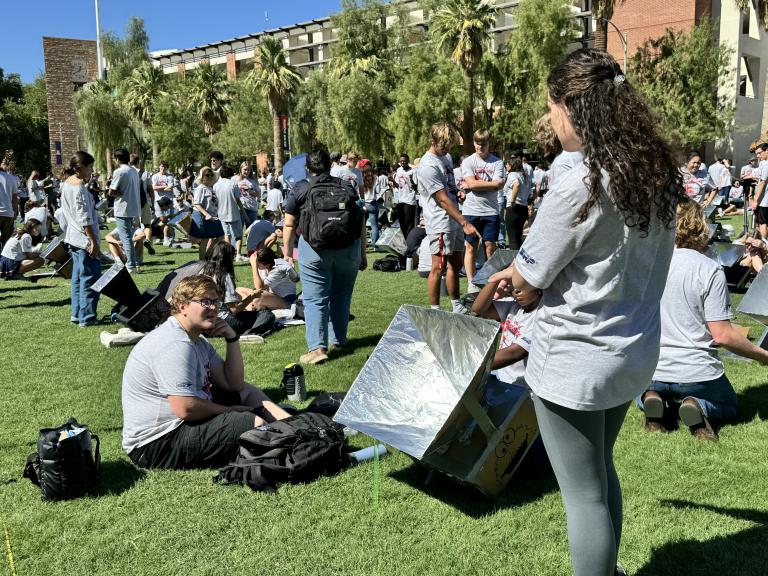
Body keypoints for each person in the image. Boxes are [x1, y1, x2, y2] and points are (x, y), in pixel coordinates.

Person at [489, 49, 680, 576]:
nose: (551, 121)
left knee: (583, 496)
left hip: (577, 359)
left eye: (552, 108)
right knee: (598, 473)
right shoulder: (655, 173)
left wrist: (520, 279)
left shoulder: (581, 180)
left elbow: (528, 278)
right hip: (632, 351)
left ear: (574, 108)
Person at [121, 275, 290, 470]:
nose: (213, 308)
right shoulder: (174, 343)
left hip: (179, 424)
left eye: (215, 301)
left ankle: (292, 425)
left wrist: (232, 338)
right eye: (205, 302)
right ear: (182, 306)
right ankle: (289, 439)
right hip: (156, 444)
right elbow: (186, 408)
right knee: (252, 424)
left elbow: (233, 384)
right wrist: (230, 411)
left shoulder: (198, 341)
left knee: (246, 393)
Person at [638, 197, 768, 440]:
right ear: (699, 225)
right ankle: (700, 406)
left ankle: (651, 398)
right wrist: (763, 356)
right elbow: (723, 335)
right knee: (730, 406)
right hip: (696, 372)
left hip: (653, 367)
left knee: (644, 390)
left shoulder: (648, 265)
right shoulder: (708, 269)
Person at [282, 149, 367, 365]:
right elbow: (359, 222)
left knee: (314, 299)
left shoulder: (301, 188)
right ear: (330, 166)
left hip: (314, 251)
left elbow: (289, 224)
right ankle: (339, 339)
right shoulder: (346, 187)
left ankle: (318, 348)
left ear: (307, 168)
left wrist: (287, 253)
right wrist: (362, 254)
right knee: (342, 295)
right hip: (348, 249)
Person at [417, 122, 480, 314]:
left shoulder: (444, 158)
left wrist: (458, 193)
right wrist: (465, 222)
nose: (447, 148)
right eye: (443, 144)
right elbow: (442, 199)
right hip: (440, 222)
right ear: (433, 140)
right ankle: (435, 310)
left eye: (449, 145)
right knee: (438, 267)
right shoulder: (428, 165)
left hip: (452, 220)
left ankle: (456, 305)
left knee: (456, 263)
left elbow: (449, 189)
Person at [60, 151, 102, 327]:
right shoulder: (78, 187)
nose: (92, 170)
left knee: (78, 278)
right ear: (80, 168)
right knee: (90, 279)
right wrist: (93, 241)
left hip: (73, 238)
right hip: (83, 239)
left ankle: (77, 314)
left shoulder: (66, 184)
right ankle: (87, 317)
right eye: (90, 167)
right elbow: (84, 218)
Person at [460, 129, 505, 288]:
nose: (481, 147)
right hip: (471, 211)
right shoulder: (468, 162)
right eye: (478, 144)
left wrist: (475, 185)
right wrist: (492, 184)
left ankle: (490, 281)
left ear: (489, 143)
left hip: (491, 211)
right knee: (470, 247)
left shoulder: (497, 162)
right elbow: (472, 184)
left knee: (490, 247)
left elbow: (498, 185)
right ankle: (471, 282)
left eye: (484, 144)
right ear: (474, 143)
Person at [108, 148, 141, 273]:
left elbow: (112, 191)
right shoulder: (134, 170)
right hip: (133, 207)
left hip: (122, 208)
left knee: (125, 237)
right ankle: (134, 263)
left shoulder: (119, 171)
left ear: (117, 159)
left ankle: (131, 265)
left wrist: (111, 190)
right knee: (129, 236)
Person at [189, 167, 224, 260]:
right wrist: (206, 214)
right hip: (203, 216)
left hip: (213, 216)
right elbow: (196, 203)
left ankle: (207, 255)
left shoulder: (210, 188)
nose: (209, 176)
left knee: (220, 236)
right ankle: (202, 262)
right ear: (202, 176)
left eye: (211, 174)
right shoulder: (200, 188)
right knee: (205, 240)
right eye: (207, 175)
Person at [232, 161, 261, 261]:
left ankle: (251, 253)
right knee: (239, 231)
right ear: (240, 169)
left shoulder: (253, 181)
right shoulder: (235, 179)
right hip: (239, 209)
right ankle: (238, 254)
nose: (246, 171)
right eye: (245, 169)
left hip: (252, 208)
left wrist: (252, 192)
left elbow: (258, 194)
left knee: (251, 231)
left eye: (248, 169)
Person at [502, 156, 532, 250]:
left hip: (514, 208)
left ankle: (513, 262)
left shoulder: (512, 175)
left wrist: (512, 200)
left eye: (507, 164)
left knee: (512, 238)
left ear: (512, 164)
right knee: (518, 237)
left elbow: (516, 184)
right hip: (523, 208)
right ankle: (519, 261)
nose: (506, 165)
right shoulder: (525, 175)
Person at [214, 165, 243, 250]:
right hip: (233, 213)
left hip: (221, 213)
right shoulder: (233, 184)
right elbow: (238, 200)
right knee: (239, 235)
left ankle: (228, 254)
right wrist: (244, 213)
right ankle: (238, 254)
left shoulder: (216, 185)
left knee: (227, 235)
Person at [359, 159, 384, 250]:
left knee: (362, 227)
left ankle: (362, 246)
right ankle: (375, 246)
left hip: (362, 203)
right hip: (372, 204)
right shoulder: (375, 177)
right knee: (374, 226)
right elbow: (378, 191)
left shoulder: (359, 177)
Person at [151, 161, 176, 247]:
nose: (163, 168)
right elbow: (153, 187)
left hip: (167, 201)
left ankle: (167, 238)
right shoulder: (155, 176)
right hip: (158, 201)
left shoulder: (170, 177)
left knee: (168, 220)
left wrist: (160, 188)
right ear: (159, 166)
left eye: (165, 167)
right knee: (161, 220)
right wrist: (164, 187)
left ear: (167, 168)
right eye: (162, 166)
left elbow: (170, 188)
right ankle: (161, 236)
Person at [394, 154, 418, 240]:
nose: (402, 162)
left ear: (408, 161)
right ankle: (404, 242)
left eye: (404, 161)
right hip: (401, 200)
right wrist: (392, 180)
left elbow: (416, 188)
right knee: (402, 223)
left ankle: (409, 242)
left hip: (410, 200)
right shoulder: (399, 170)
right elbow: (398, 186)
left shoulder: (413, 171)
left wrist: (411, 181)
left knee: (409, 224)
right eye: (401, 161)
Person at [0, 157, 19, 246]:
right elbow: (15, 197)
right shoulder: (11, 178)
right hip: (8, 213)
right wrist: (15, 211)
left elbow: (15, 197)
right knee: (6, 241)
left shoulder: (11, 178)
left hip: (8, 212)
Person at [751, 143, 768, 239]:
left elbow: (762, 183)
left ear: (766, 151)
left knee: (762, 223)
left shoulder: (766, 164)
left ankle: (762, 246)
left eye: (759, 153)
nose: (758, 156)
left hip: (764, 201)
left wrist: (755, 200)